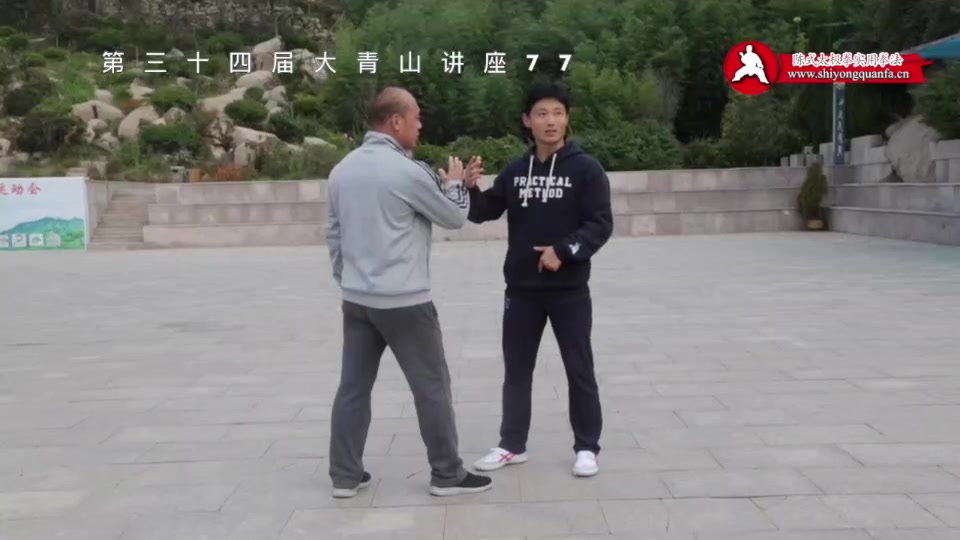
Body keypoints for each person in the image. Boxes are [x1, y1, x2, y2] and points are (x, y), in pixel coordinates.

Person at [325, 87, 493, 497]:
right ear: (395, 121)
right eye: (416, 117)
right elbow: (454, 216)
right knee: (431, 387)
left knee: (353, 388)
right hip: (405, 302)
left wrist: (350, 280)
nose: (420, 125)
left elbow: (334, 234)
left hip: (358, 300)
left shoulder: (342, 170)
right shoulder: (406, 171)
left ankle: (345, 475)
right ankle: (447, 474)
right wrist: (455, 185)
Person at [466, 81, 613, 477]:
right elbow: (483, 212)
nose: (551, 121)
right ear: (527, 121)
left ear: (567, 119)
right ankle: (512, 444)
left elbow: (600, 224)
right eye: (542, 114)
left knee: (579, 369)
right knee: (517, 370)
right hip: (522, 292)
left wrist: (562, 251)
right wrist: (470, 188)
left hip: (569, 292)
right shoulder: (516, 171)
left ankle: (587, 447)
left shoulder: (586, 169)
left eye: (558, 113)